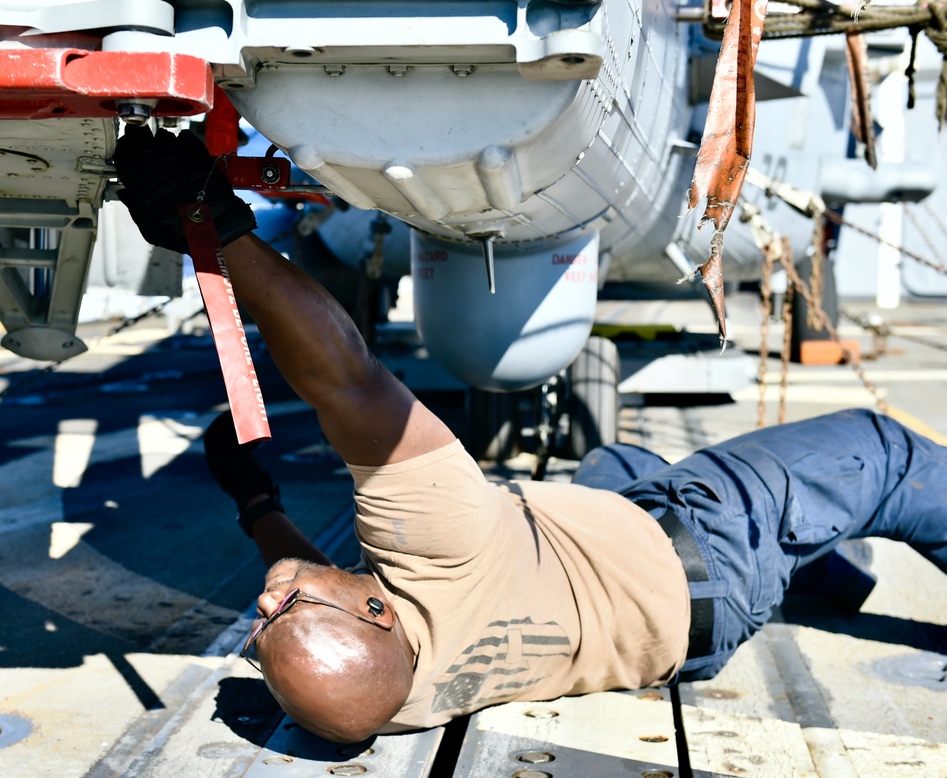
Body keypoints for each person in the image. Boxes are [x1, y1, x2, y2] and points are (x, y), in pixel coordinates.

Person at [113, 126, 947, 744]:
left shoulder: (389, 695)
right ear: (377, 605)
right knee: (883, 453)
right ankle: (799, 543)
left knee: (612, 465)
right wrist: (216, 228)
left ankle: (816, 561)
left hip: (674, 634)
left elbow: (311, 602)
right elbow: (346, 375)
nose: (264, 603)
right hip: (711, 549)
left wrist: (255, 499)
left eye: (262, 628)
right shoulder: (440, 544)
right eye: (282, 611)